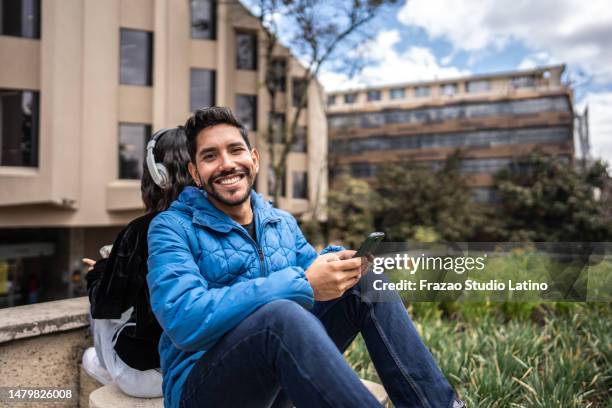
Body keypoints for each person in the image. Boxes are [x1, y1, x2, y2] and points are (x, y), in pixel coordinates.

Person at [147, 107, 465, 408]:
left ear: (253, 160)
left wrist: (339, 263)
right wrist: (301, 283)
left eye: (235, 150)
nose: (227, 163)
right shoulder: (170, 227)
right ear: (195, 173)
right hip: (204, 389)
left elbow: (309, 272)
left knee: (364, 282)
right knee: (281, 316)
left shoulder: (280, 221)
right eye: (210, 156)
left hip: (279, 379)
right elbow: (184, 319)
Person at [82, 127, 193, 397]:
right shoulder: (218, 224)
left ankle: (106, 367)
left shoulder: (141, 230)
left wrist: (99, 273)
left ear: (157, 175)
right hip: (197, 370)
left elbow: (105, 306)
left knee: (92, 347)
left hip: (150, 378)